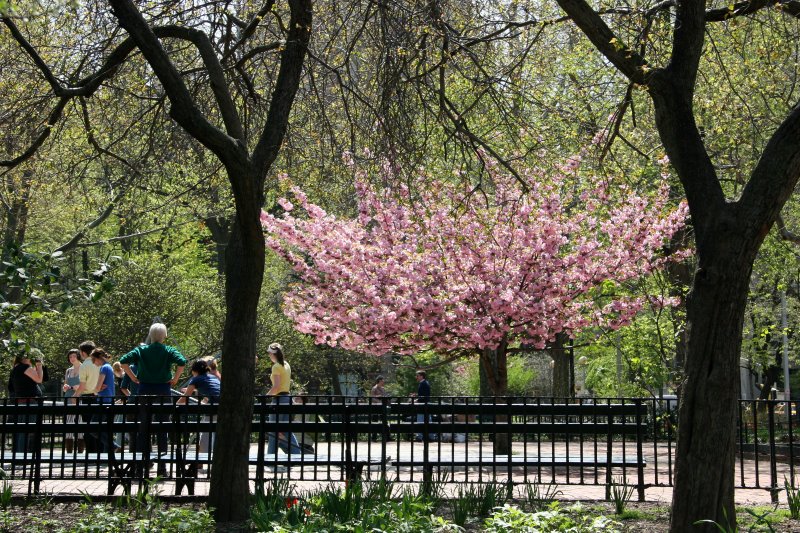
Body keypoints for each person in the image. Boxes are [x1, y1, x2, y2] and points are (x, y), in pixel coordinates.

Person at [120, 323, 186, 476]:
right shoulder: (169, 350)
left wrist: (133, 377)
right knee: (163, 427)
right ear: (165, 336)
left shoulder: (141, 350)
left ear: (150, 335)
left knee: (144, 428)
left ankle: (141, 465)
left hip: (144, 390)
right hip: (163, 390)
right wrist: (175, 378)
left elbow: (123, 361)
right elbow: (182, 362)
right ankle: (162, 468)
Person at [178, 359, 220, 461]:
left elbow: (184, 398)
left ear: (194, 371)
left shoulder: (195, 379)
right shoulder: (213, 377)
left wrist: (174, 406)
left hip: (213, 409)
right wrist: (194, 390)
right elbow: (211, 390)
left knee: (205, 435)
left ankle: (200, 461)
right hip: (224, 407)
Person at [266, 343, 303, 456]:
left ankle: (271, 456)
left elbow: (276, 386)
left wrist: (266, 396)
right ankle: (297, 454)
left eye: (269, 353)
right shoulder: (286, 364)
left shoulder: (276, 366)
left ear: (273, 354)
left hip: (279, 399)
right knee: (286, 429)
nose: (268, 355)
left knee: (274, 430)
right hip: (287, 398)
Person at [8, 353, 44, 453]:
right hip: (29, 402)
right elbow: (39, 379)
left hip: (20, 401)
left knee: (21, 429)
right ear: (24, 358)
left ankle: (18, 454)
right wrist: (39, 366)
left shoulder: (16, 368)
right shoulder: (25, 367)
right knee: (27, 430)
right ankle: (21, 455)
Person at [88, 348, 119, 453]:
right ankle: (109, 453)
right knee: (105, 428)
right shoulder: (109, 367)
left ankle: (113, 445)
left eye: (93, 359)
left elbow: (97, 387)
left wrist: (96, 389)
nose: (93, 362)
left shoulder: (104, 368)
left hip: (103, 401)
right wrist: (98, 388)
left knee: (93, 428)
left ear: (98, 358)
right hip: (109, 400)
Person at [73, 340, 99, 453]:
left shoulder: (85, 366)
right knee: (98, 426)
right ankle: (99, 452)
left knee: (88, 427)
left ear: (83, 353)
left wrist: (75, 396)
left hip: (88, 397)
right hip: (99, 397)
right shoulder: (100, 363)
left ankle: (91, 452)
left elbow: (82, 386)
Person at [62, 348, 83, 453]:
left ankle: (80, 449)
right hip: (69, 397)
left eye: (74, 356)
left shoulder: (83, 368)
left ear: (78, 356)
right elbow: (66, 384)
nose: (72, 358)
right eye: (70, 357)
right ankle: (69, 450)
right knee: (68, 422)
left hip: (79, 397)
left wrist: (74, 387)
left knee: (79, 421)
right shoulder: (68, 370)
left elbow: (81, 386)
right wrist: (65, 387)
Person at [412, 370, 434, 442]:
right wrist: (416, 395)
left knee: (420, 420)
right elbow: (424, 394)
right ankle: (431, 437)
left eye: (417, 376)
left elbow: (423, 396)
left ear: (422, 376)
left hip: (422, 405)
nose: (416, 377)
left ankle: (419, 436)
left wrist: (416, 400)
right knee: (428, 420)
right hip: (427, 404)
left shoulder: (423, 384)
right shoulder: (425, 383)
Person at [370, 376, 388, 441]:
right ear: (379, 381)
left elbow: (385, 396)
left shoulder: (383, 388)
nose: (384, 382)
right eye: (383, 380)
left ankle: (386, 437)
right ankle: (374, 437)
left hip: (382, 407)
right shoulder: (374, 388)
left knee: (384, 421)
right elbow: (372, 398)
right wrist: (380, 400)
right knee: (375, 421)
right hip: (376, 407)